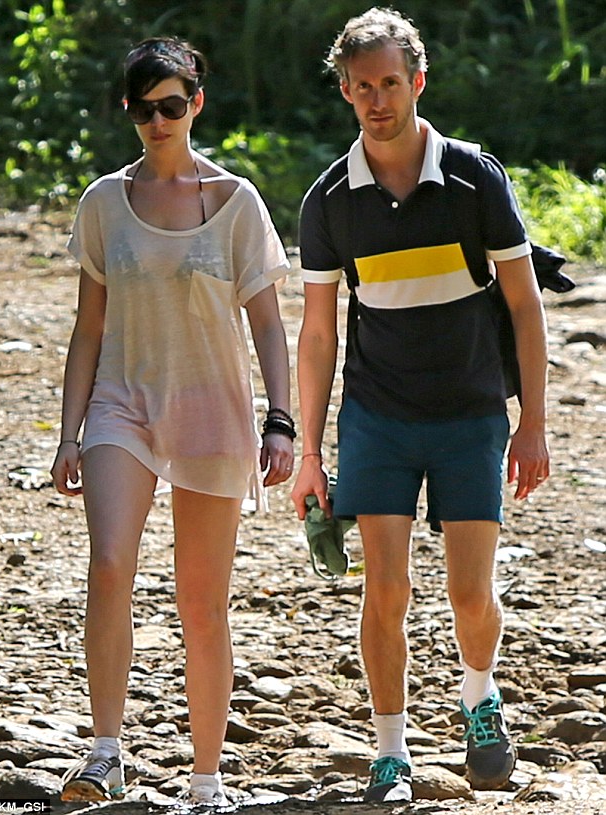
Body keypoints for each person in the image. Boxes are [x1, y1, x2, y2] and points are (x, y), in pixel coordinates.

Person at [291, 7, 549, 805]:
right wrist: (308, 449)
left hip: (471, 413)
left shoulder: (475, 178)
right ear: (344, 90)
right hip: (378, 416)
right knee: (387, 590)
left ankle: (479, 696)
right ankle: (390, 750)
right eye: (362, 86)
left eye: (391, 83)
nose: (378, 100)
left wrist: (533, 422)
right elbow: (318, 334)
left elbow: (525, 305)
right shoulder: (329, 199)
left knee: (471, 594)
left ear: (418, 81)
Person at [51, 36, 294, 808]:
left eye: (173, 105)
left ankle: (207, 775)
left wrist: (281, 420)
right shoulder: (102, 202)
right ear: (128, 110)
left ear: (196, 103)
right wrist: (68, 432)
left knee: (201, 601)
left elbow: (268, 323)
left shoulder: (236, 202)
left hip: (210, 408)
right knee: (109, 565)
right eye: (144, 107)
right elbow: (88, 327)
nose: (159, 120)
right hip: (121, 401)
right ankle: (105, 750)